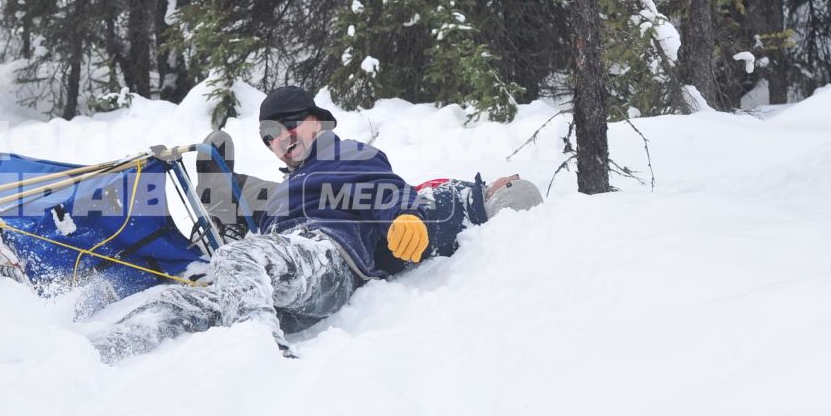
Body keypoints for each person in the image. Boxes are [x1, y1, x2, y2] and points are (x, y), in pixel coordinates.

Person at [90, 85, 531, 362]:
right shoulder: (292, 186)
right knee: (174, 301)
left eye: (286, 126)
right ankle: (96, 355)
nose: (279, 141)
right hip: (282, 282)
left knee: (241, 255)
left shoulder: (345, 155)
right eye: (268, 138)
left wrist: (404, 214)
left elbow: (383, 187)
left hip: (326, 258)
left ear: (317, 120)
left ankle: (258, 355)